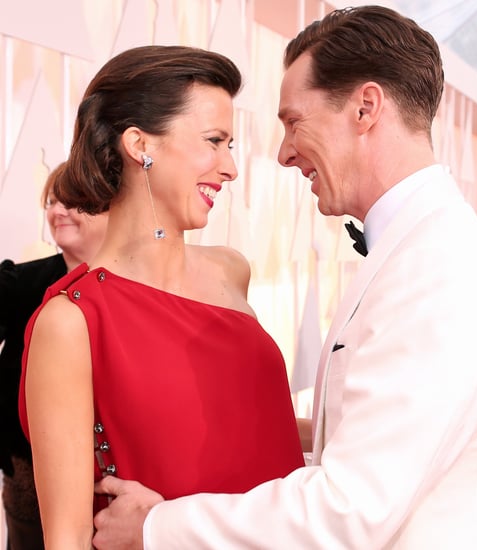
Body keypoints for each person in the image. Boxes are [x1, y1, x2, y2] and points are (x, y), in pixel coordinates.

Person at [91, 6, 477, 549]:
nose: (281, 153)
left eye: (293, 121)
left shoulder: (440, 272)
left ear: (365, 108)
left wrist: (156, 529)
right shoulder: (423, 255)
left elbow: (348, 510)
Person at [18, 46, 304, 549]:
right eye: (214, 142)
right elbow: (65, 539)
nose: (230, 167)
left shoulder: (231, 271)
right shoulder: (71, 322)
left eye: (230, 144)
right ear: (139, 144)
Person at [0, 162, 108, 550]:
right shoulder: (17, 283)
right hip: (29, 478)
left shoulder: (138, 286)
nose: (58, 210)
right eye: (52, 201)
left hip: (114, 484)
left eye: (72, 202)